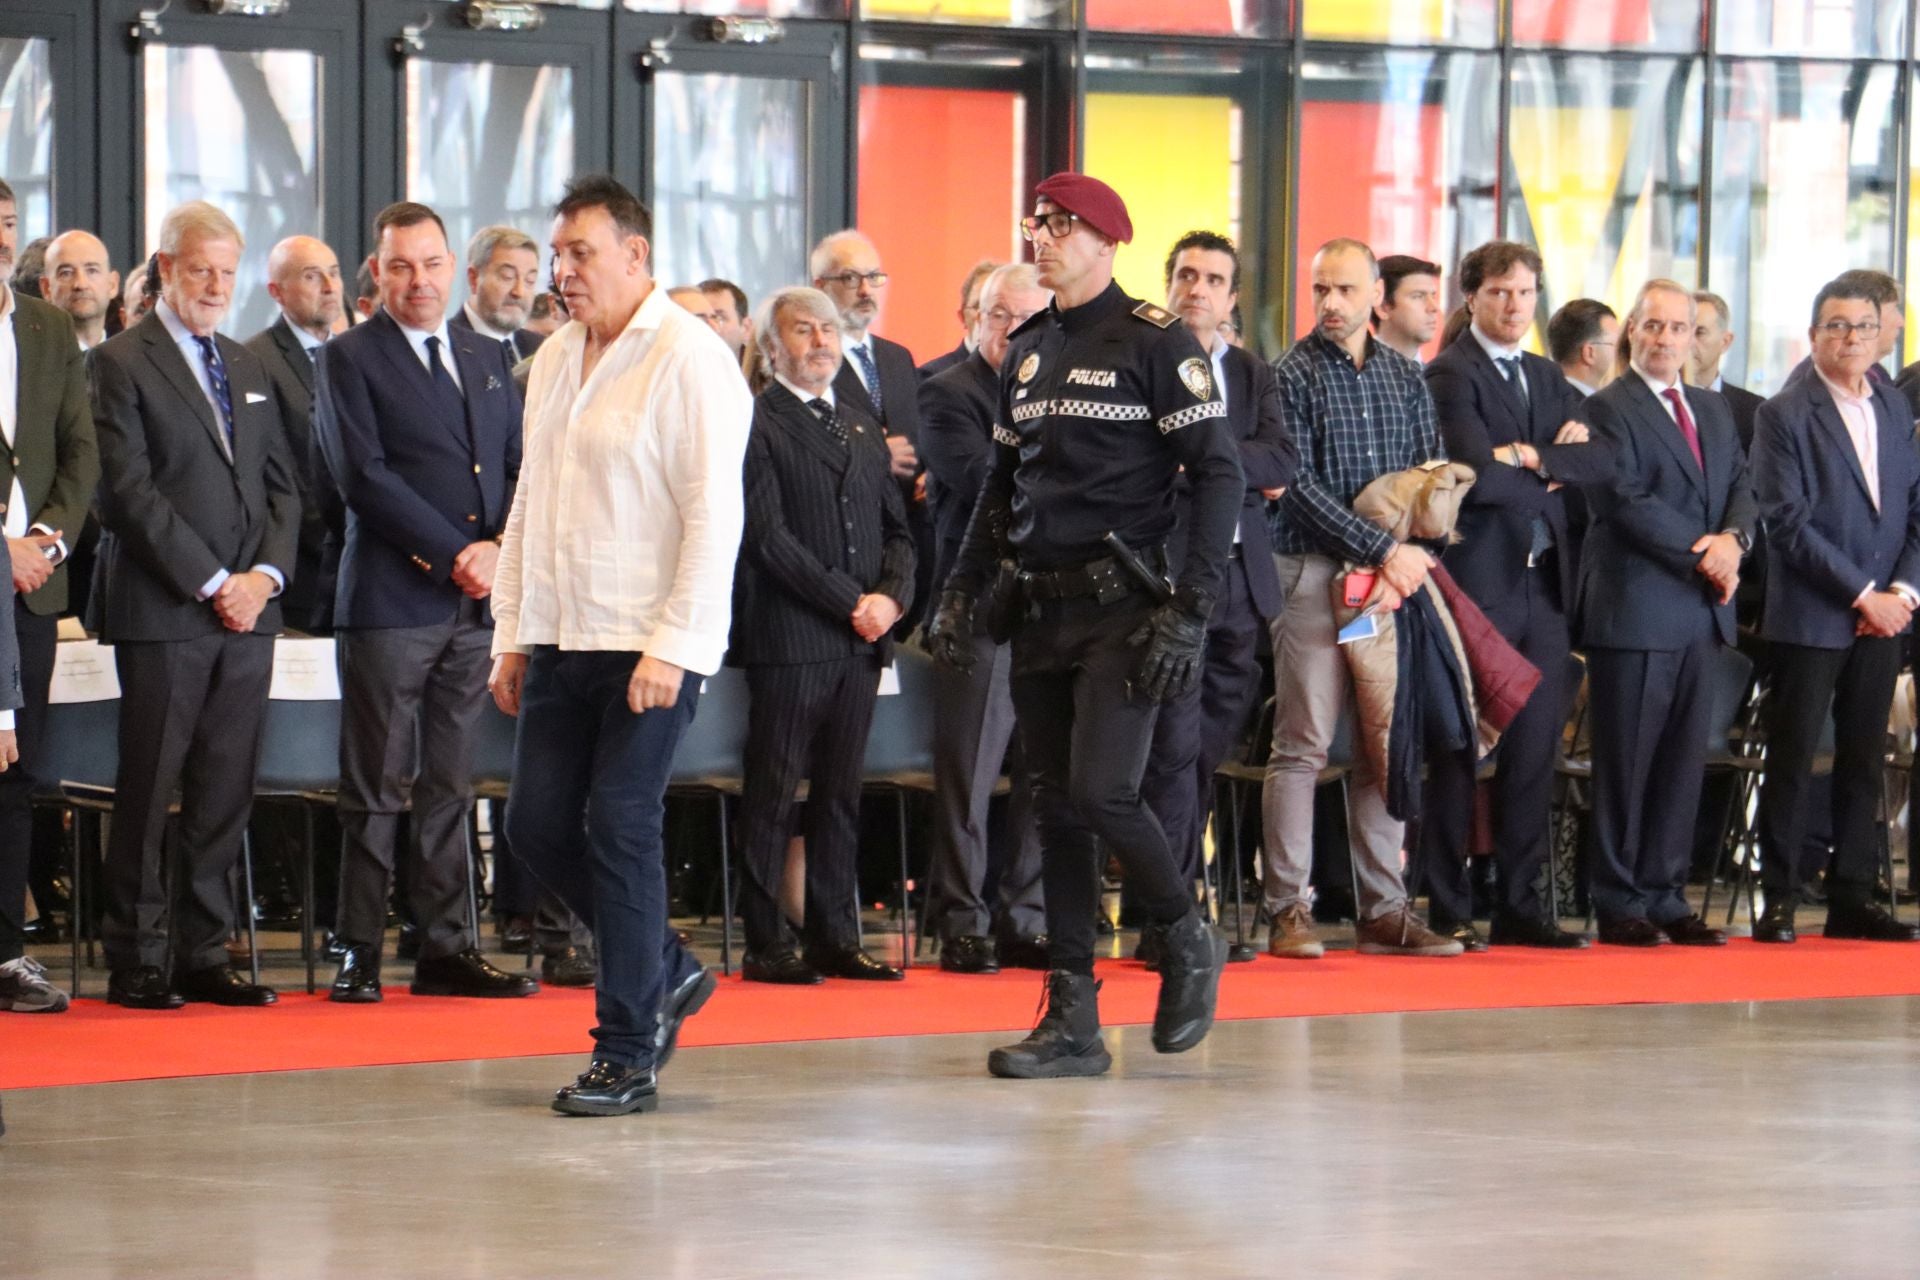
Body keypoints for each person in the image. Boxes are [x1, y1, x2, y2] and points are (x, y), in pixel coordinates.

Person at [926, 172, 1239, 1078]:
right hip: (1039, 608)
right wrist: (959, 591)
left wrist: (1191, 608)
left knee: (1104, 793)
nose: (1045, 236)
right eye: (1038, 222)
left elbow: (1217, 474)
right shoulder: (1029, 349)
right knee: (1056, 809)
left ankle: (1182, 934)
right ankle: (1072, 1018)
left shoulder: (1155, 341)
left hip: (1125, 610)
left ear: (1109, 242)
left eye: (1064, 225)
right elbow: (998, 487)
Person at [489, 175, 750, 1116]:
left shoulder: (690, 357)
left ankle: (626, 1049)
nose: (562, 272)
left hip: (648, 643)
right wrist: (512, 633)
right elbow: (530, 503)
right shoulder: (557, 353)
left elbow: (714, 516)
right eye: (557, 255)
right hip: (561, 633)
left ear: (636, 257)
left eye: (580, 254)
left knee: (620, 824)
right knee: (535, 827)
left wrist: (674, 647)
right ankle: (668, 968)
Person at [313, 202, 535, 1004]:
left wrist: (500, 550)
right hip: (391, 602)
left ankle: (445, 945)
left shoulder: (486, 354)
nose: (418, 281)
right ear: (377, 271)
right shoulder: (348, 357)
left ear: (453, 269)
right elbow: (362, 478)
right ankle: (359, 947)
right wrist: (454, 555)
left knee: (450, 782)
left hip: (476, 610)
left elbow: (518, 466)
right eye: (401, 266)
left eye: (431, 263)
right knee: (375, 785)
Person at [88, 200, 300, 1009]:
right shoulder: (118, 361)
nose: (216, 285)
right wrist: (215, 583)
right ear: (165, 269)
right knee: (149, 789)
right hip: (166, 612)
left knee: (224, 789)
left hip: (252, 615)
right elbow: (126, 495)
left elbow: (284, 487)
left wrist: (263, 582)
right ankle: (136, 956)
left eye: (227, 271)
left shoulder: (246, 366)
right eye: (200, 269)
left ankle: (203, 952)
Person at [1260, 238, 1463, 961]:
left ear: (1377, 295)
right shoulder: (1288, 375)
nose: (1331, 304)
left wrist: (1409, 559)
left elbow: (1429, 473)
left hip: (1390, 585)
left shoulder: (1405, 377)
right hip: (1313, 572)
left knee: (1384, 743)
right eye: (1320, 289)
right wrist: (1385, 551)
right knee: (1304, 743)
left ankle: (1385, 908)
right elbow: (1296, 485)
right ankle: (1288, 908)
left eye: (1345, 289)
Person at [1419, 240, 1602, 950]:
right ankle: (1447, 901)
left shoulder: (1541, 374)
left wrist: (1530, 456)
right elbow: (1471, 474)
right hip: (1480, 584)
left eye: (1525, 292)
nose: (1514, 305)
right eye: (1499, 292)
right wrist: (1546, 466)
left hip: (1545, 587)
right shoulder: (1450, 372)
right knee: (1461, 746)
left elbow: (1600, 459)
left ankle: (1523, 904)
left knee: (1533, 752)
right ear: (1473, 297)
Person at [731, 286, 915, 985]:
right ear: (773, 348)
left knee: (841, 793)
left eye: (829, 330)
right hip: (792, 637)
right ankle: (766, 939)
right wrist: (851, 601)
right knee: (774, 790)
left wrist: (892, 600)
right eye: (803, 331)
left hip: (863, 640)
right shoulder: (758, 422)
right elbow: (767, 539)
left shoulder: (862, 426)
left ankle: (837, 934)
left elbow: (898, 532)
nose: (821, 342)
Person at [1578, 280, 1756, 947]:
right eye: (1653, 326)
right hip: (1636, 608)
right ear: (1632, 330)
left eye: (1679, 328)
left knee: (1683, 762)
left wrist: (1734, 541)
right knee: (1627, 763)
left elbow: (1742, 487)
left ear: (1694, 338)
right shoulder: (1606, 408)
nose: (1665, 339)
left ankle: (1665, 893)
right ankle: (1619, 899)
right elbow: (1620, 500)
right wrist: (1702, 550)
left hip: (1702, 613)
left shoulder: (1711, 411)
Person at [1749, 274, 1920, 945]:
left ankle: (1853, 894)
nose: (1850, 339)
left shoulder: (1891, 408)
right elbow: (1786, 523)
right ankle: (1781, 897)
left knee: (1862, 758)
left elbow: (1912, 513)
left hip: (1886, 617)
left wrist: (1902, 594)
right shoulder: (1783, 413)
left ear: (1882, 334)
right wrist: (1862, 595)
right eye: (1836, 326)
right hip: (1814, 616)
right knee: (1792, 758)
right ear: (1814, 333)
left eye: (1862, 327)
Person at [1141, 230, 1298, 920]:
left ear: (1231, 298)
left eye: (1211, 279)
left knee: (1207, 748)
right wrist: (1235, 469)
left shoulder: (1253, 373)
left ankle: (1173, 892)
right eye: (1185, 275)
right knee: (1172, 749)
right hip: (1171, 579)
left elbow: (1281, 463)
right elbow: (1147, 464)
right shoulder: (1143, 362)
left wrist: (1206, 459)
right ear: (1168, 284)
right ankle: (1173, 910)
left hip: (1242, 581)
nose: (1196, 288)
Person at [917, 263, 1051, 974]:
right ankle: (962, 919)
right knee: (967, 773)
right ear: (975, 319)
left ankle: (1022, 916)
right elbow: (984, 487)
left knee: (1040, 773)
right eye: (1000, 315)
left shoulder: (1057, 393)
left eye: (1029, 320)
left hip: (1048, 606)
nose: (1013, 331)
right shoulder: (946, 393)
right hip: (977, 606)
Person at [0, 180, 98, 1015]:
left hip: (33, 588)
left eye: (4, 225)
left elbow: (79, 451)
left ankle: (5, 954)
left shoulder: (48, 326)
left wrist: (44, 545)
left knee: (15, 773)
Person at [245, 234, 344, 635]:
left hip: (362, 570)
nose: (330, 286)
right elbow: (277, 473)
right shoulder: (254, 360)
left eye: (334, 273)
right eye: (311, 276)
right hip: (303, 570)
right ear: (277, 291)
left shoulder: (354, 353)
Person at [454, 225, 546, 364]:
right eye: (507, 277)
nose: (519, 292)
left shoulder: (542, 350)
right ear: (474, 278)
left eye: (530, 281)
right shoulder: (445, 347)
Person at [1687, 291, 1763, 445]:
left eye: (1699, 333)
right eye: (1682, 330)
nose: (1689, 342)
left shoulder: (1753, 411)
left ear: (1726, 341)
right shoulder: (1661, 402)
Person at [38, 230, 118, 350]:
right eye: (66, 273)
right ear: (46, 288)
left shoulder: (131, 359)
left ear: (112, 284)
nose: (80, 284)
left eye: (92, 271)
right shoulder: (31, 360)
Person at [921, 258, 998, 377]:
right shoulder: (934, 375)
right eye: (978, 306)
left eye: (999, 309)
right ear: (962, 316)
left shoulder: (1027, 376)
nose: (986, 317)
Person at [1371, 254, 1441, 362]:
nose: (1434, 307)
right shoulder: (1356, 373)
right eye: (1418, 296)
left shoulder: (1431, 375)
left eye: (1433, 296)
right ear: (1383, 308)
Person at [1548, 298, 1619, 398]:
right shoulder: (1585, 409)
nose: (1623, 353)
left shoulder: (1547, 398)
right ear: (1589, 353)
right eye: (1618, 345)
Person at [699, 278, 752, 361]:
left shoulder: (766, 372)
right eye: (700, 319)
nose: (709, 327)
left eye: (718, 318)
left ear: (746, 328)